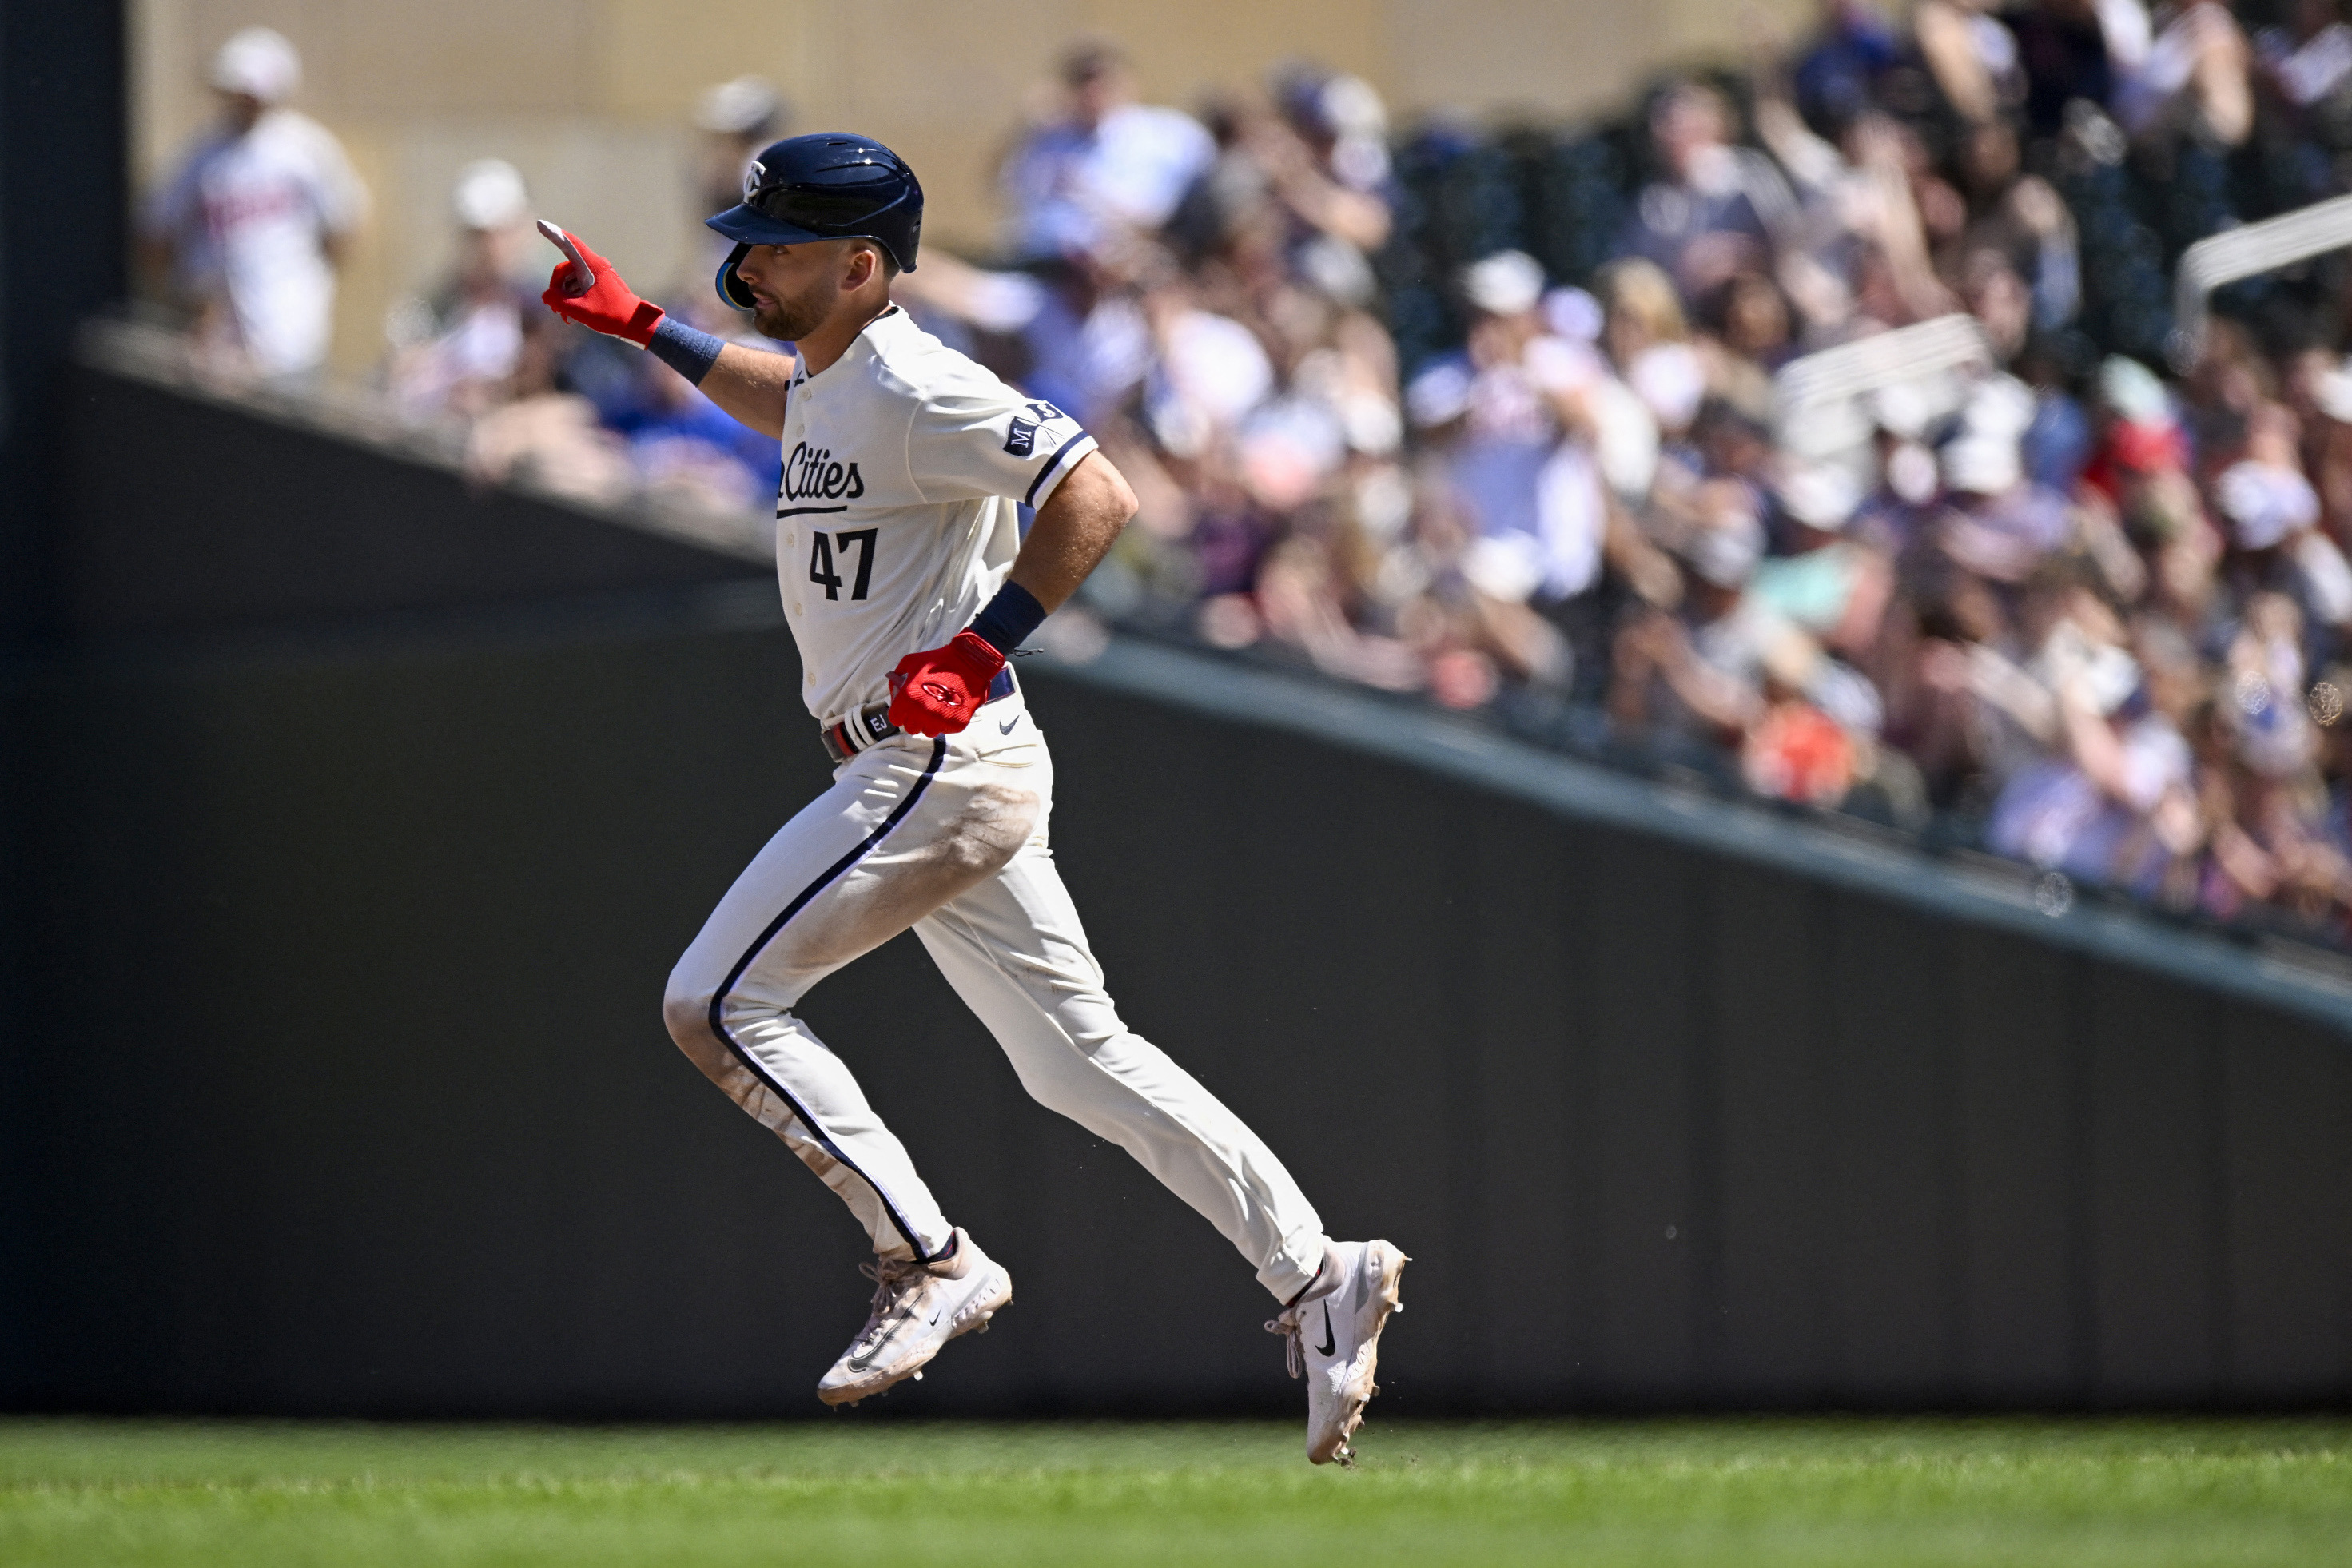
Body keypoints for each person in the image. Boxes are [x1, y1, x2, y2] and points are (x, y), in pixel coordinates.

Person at [537, 133, 1405, 1465]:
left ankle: (927, 1256)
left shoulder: (914, 375)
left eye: (781, 239)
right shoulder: (839, 377)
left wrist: (982, 641)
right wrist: (646, 327)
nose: (751, 254)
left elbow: (1094, 493)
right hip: (920, 758)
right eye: (754, 232)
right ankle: (1316, 1272)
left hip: (933, 754)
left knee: (713, 1001)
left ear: (861, 264)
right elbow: (800, 412)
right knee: (1077, 1058)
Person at [139, 26, 366, 382]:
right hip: (218, 341)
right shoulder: (202, 154)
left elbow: (343, 230)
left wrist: (305, 282)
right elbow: (156, 231)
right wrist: (187, 297)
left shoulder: (304, 148)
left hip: (291, 332)